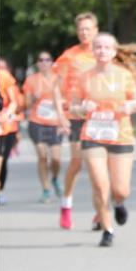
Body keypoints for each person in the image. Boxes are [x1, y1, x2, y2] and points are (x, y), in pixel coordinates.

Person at [60, 32, 136, 247]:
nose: (102, 51)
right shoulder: (84, 77)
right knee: (99, 184)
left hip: (120, 135)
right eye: (98, 47)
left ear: (114, 52)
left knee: (120, 188)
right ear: (93, 51)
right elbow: (74, 108)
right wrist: (81, 108)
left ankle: (119, 202)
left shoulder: (124, 75)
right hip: (93, 135)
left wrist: (129, 106)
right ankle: (107, 229)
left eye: (106, 48)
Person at [53, 12, 99, 229]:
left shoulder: (103, 54)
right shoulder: (69, 56)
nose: (84, 32)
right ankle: (66, 204)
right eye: (81, 29)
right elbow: (55, 86)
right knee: (77, 162)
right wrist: (60, 115)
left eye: (88, 29)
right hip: (76, 115)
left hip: (100, 116)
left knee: (98, 165)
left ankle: (100, 210)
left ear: (96, 31)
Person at [23, 51, 63, 202]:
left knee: (56, 159)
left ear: (52, 62)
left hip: (54, 123)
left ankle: (55, 178)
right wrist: (34, 97)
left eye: (47, 59)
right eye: (41, 60)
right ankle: (46, 189)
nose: (44, 62)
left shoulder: (58, 79)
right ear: (37, 63)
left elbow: (66, 99)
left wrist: (60, 103)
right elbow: (25, 104)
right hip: (37, 122)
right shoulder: (31, 80)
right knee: (42, 156)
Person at [0, 60, 20, 206]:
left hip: (0, 127)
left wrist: (5, 115)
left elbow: (14, 102)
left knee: (0, 162)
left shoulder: (3, 76)